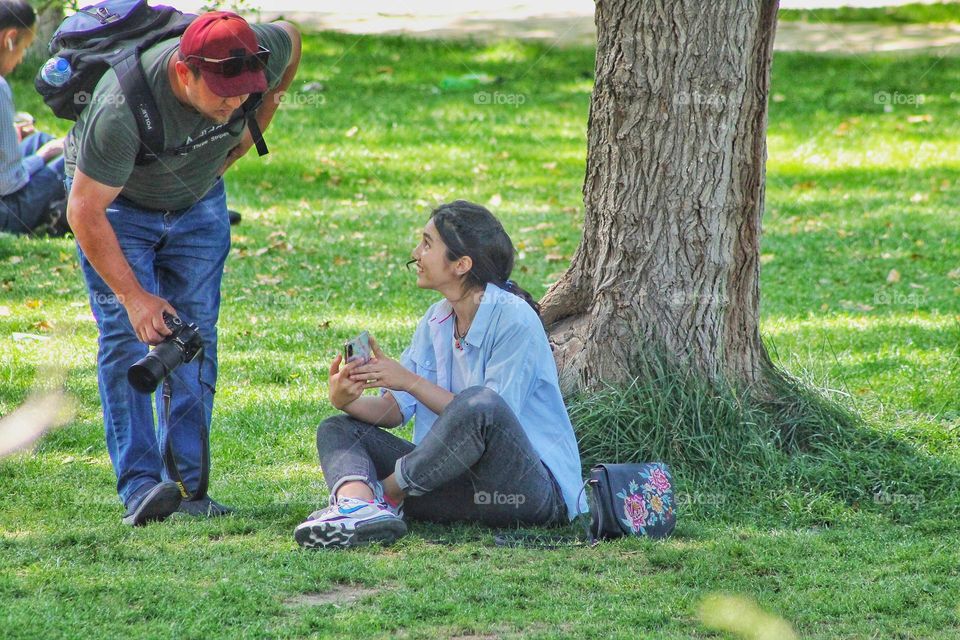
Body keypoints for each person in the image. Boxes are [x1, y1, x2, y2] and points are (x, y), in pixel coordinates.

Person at [64, 12, 301, 526]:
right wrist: (134, 298)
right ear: (182, 73)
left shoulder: (262, 50)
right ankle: (142, 488)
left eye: (244, 93)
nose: (235, 103)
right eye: (222, 93)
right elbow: (84, 210)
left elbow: (292, 35)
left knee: (194, 340)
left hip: (199, 204)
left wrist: (262, 117)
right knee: (128, 341)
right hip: (117, 207)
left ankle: (191, 490)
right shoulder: (120, 107)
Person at [295, 201, 586, 549]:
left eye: (427, 243)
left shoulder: (514, 320)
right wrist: (346, 400)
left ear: (461, 264)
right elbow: (396, 409)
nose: (416, 252)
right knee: (338, 428)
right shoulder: (437, 317)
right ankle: (357, 509)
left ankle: (385, 495)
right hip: (458, 489)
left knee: (480, 404)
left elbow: (490, 417)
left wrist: (409, 380)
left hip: (529, 493)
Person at [0, 0, 67, 236]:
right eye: (24, 47)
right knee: (71, 155)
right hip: (6, 213)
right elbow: (8, 183)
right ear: (9, 39)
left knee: (39, 139)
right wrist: (43, 156)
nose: (21, 58)